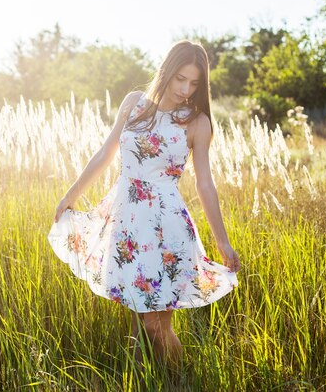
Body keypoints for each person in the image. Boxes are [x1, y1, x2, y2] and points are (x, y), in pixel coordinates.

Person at [47, 40, 241, 371]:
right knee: (140, 317)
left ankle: (183, 379)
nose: (185, 89)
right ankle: (144, 378)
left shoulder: (197, 121)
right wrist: (71, 195)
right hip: (125, 219)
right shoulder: (134, 103)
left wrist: (222, 240)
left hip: (165, 225)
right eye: (180, 78)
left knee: (157, 324)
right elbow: (106, 153)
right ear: (166, 70)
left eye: (194, 83)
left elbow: (204, 183)